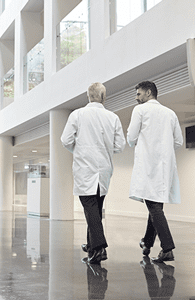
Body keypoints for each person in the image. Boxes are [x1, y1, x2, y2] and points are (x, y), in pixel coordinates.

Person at [61, 82, 126, 264]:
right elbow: (119, 146)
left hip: (85, 169)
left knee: (90, 209)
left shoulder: (78, 114)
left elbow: (65, 140)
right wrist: (104, 149)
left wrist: (79, 150)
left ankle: (99, 248)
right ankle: (92, 246)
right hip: (103, 170)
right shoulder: (112, 117)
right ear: (104, 97)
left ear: (88, 96)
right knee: (95, 209)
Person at [127, 81, 183, 263]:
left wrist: (142, 144)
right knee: (155, 205)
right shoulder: (170, 113)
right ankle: (147, 242)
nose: (136, 98)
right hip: (164, 167)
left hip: (147, 165)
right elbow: (178, 142)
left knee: (154, 207)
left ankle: (167, 248)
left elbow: (131, 137)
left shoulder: (140, 111)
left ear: (149, 92)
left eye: (138, 94)